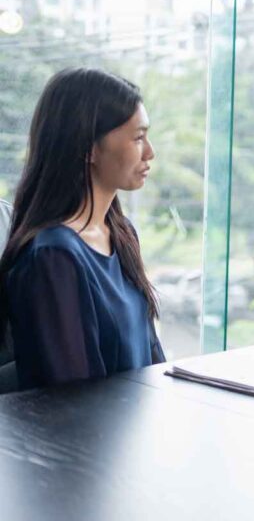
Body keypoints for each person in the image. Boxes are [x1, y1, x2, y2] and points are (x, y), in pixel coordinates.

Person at [0, 68, 164, 390]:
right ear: (88, 148)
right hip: (87, 438)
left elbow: (154, 359)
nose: (150, 152)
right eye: (138, 137)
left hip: (140, 427)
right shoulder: (52, 256)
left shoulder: (121, 234)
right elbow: (76, 396)